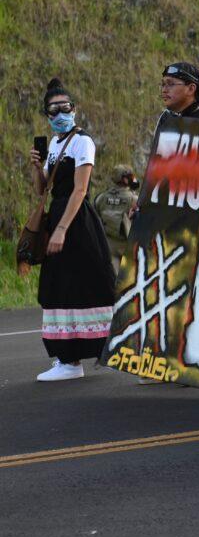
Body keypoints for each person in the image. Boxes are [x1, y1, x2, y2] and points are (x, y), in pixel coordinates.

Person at [27, 79, 116, 382]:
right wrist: (37, 168)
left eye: (67, 107)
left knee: (86, 284)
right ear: (47, 115)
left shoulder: (83, 142)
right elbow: (44, 190)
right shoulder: (53, 144)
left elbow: (80, 190)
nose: (62, 112)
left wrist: (62, 229)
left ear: (74, 110)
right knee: (59, 287)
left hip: (76, 221)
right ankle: (67, 358)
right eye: (55, 109)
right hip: (57, 215)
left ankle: (83, 356)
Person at [93, 164, 139, 276]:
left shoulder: (101, 198)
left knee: (112, 278)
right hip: (127, 246)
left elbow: (94, 219)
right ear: (124, 179)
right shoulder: (134, 200)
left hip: (107, 246)